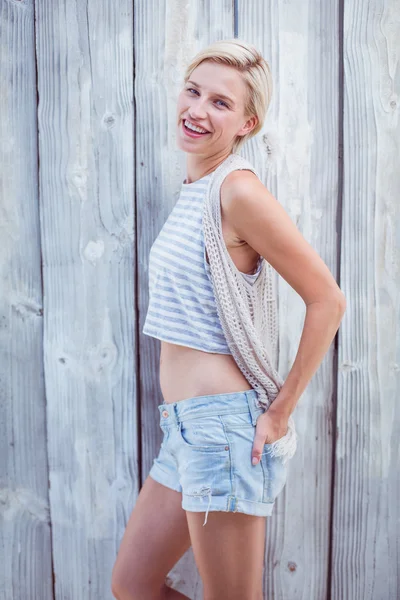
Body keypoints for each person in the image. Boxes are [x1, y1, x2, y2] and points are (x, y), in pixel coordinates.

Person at [111, 39, 346, 600]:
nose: (197, 109)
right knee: (134, 585)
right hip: (187, 429)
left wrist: (282, 409)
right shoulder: (195, 191)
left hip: (223, 430)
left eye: (220, 102)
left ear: (247, 122)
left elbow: (328, 300)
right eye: (194, 91)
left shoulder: (236, 190)